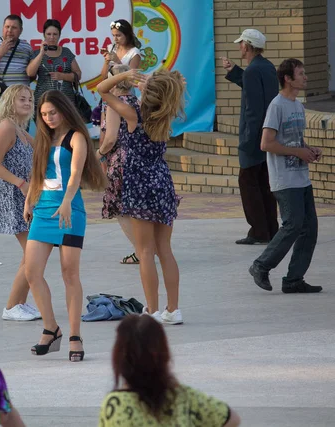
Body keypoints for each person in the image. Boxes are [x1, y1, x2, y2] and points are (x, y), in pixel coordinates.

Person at [24, 90, 106, 362]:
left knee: (70, 274)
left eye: (53, 113)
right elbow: (37, 173)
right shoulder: (44, 137)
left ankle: (74, 335)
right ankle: (51, 328)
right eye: (44, 114)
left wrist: (68, 201)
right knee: (32, 272)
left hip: (70, 210)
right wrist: (28, 200)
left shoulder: (77, 137)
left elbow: (75, 174)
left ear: (64, 110)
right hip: (44, 209)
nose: (48, 118)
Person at [97, 69, 184, 324]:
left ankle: (153, 311)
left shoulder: (134, 113)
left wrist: (123, 73)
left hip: (138, 184)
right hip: (162, 181)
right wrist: (155, 85)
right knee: (165, 249)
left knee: (145, 251)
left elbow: (102, 89)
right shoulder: (166, 113)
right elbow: (172, 86)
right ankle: (173, 309)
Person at [249, 59, 323, 294]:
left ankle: (293, 279)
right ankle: (261, 265)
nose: (306, 77)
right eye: (301, 74)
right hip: (284, 179)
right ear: (287, 79)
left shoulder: (298, 106)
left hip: (302, 177)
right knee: (292, 225)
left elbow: (294, 140)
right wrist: (297, 151)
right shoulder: (277, 105)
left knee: (309, 228)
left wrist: (308, 149)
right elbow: (266, 143)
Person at [98, 314, 241, 426]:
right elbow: (232, 419)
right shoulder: (183, 397)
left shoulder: (115, 404)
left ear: (119, 357)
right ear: (163, 353)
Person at [0, 84, 41, 322]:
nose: (28, 103)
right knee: (32, 254)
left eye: (30, 99)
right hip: (15, 197)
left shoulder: (20, 128)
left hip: (27, 197)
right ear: (10, 101)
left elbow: (41, 148)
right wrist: (21, 183)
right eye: (22, 99)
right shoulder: (6, 127)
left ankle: (19, 303)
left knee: (31, 254)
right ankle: (11, 306)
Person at [223, 29, 279, 245]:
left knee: (248, 182)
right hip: (268, 133)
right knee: (263, 182)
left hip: (254, 136)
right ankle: (270, 228)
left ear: (246, 46)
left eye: (241, 44)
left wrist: (247, 139)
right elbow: (258, 92)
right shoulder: (265, 67)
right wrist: (235, 71)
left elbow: (254, 108)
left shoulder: (253, 70)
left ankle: (258, 231)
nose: (239, 47)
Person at [98, 19, 142, 263]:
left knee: (118, 205)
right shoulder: (136, 104)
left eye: (118, 34)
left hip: (121, 159)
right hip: (136, 158)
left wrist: (97, 157)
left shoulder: (117, 104)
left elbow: (110, 139)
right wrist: (108, 61)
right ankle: (145, 247)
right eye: (113, 34)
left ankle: (141, 250)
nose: (116, 38)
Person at [0, 14, 33, 195]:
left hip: (22, 101)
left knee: (23, 138)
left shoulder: (26, 47)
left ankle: (21, 175)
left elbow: (32, 73)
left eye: (14, 28)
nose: (10, 31)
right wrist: (1, 52)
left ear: (21, 30)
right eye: (7, 27)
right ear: (2, 28)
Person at [26, 19, 82, 113]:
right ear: (44, 35)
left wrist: (63, 76)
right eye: (49, 34)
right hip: (43, 101)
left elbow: (78, 74)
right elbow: (30, 73)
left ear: (59, 35)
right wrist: (41, 53)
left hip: (66, 102)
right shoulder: (36, 53)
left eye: (55, 34)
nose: (52, 37)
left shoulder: (66, 52)